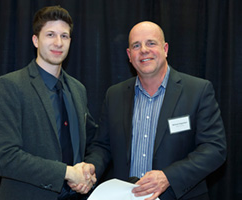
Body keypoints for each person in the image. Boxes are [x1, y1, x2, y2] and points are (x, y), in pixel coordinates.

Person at [84, 21, 227, 200]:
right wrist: (91, 167)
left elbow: (214, 149)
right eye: (136, 45)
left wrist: (168, 177)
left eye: (151, 43)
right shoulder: (114, 95)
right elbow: (102, 146)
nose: (144, 50)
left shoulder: (197, 91)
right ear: (129, 55)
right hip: (125, 196)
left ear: (165, 49)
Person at [0, 5, 97, 200]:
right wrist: (66, 172)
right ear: (35, 40)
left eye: (64, 36)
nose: (58, 42)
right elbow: (5, 157)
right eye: (50, 35)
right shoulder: (10, 86)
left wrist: (88, 169)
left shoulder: (78, 90)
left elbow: (92, 142)